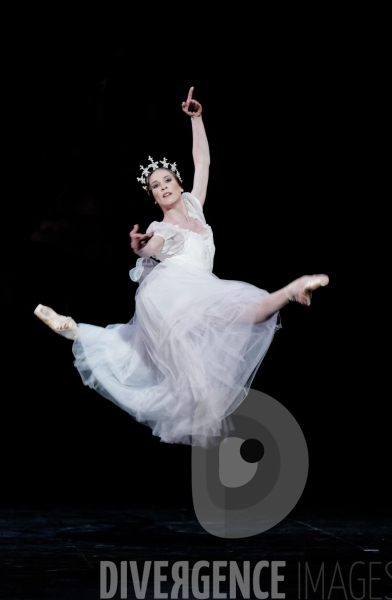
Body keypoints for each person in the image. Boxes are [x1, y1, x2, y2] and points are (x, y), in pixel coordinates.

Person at [34, 87, 329, 448]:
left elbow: (202, 162)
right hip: (172, 295)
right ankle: (209, 435)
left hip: (203, 289)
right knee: (193, 375)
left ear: (178, 184)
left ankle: (77, 331)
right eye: (155, 186)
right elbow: (153, 247)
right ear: (154, 197)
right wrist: (141, 248)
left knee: (241, 315)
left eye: (167, 181)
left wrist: (196, 119)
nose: (163, 188)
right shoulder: (161, 229)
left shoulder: (194, 206)